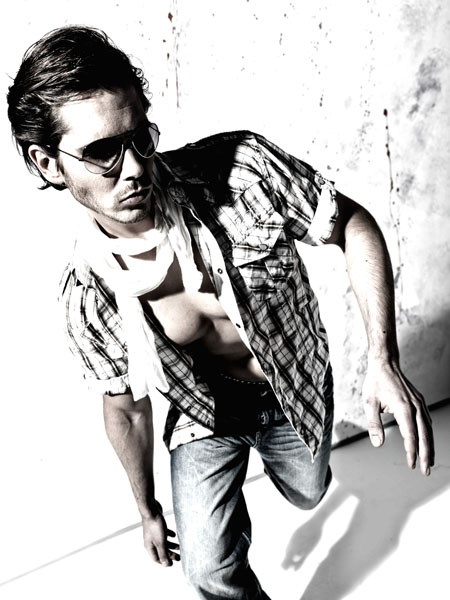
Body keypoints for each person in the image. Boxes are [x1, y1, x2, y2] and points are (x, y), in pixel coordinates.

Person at [7, 25, 434, 600]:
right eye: (102, 151)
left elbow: (351, 224)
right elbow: (126, 410)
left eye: (140, 138)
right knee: (206, 569)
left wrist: (383, 358)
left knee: (309, 491)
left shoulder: (242, 171)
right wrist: (147, 509)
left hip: (291, 384)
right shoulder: (88, 296)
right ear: (47, 163)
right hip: (204, 413)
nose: (134, 168)